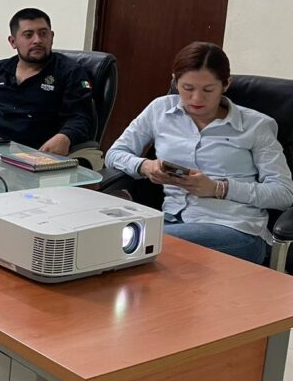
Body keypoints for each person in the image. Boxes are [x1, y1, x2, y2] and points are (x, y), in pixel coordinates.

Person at [106, 42, 293, 263]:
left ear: (226, 84)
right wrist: (145, 166)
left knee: (135, 243)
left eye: (208, 90)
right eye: (187, 88)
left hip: (235, 230)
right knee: (118, 242)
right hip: (172, 221)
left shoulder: (256, 126)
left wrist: (218, 188)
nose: (196, 99)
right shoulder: (159, 110)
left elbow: (283, 194)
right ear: (175, 81)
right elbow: (114, 154)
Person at [0, 8, 95, 154]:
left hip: (37, 156)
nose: (37, 40)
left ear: (51, 37)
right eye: (28, 35)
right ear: (13, 42)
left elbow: (82, 119)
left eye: (43, 34)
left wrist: (65, 137)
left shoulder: (70, 72)